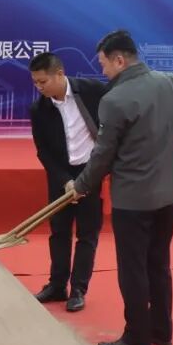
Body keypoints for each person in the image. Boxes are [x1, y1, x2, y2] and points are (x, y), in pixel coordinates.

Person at [68, 30, 173, 345]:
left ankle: (137, 338)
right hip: (168, 196)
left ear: (119, 60)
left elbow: (102, 156)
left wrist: (80, 186)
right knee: (158, 264)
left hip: (133, 201)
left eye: (104, 64)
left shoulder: (115, 99)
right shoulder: (170, 83)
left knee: (133, 268)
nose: (103, 70)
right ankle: (162, 331)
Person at [28, 52, 107, 312]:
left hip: (90, 172)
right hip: (60, 176)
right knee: (59, 232)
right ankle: (57, 285)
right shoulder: (39, 109)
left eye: (43, 82)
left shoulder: (93, 91)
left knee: (87, 234)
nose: (39, 87)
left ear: (60, 74)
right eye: (35, 83)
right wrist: (65, 181)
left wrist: (95, 172)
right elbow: (43, 152)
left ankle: (78, 289)